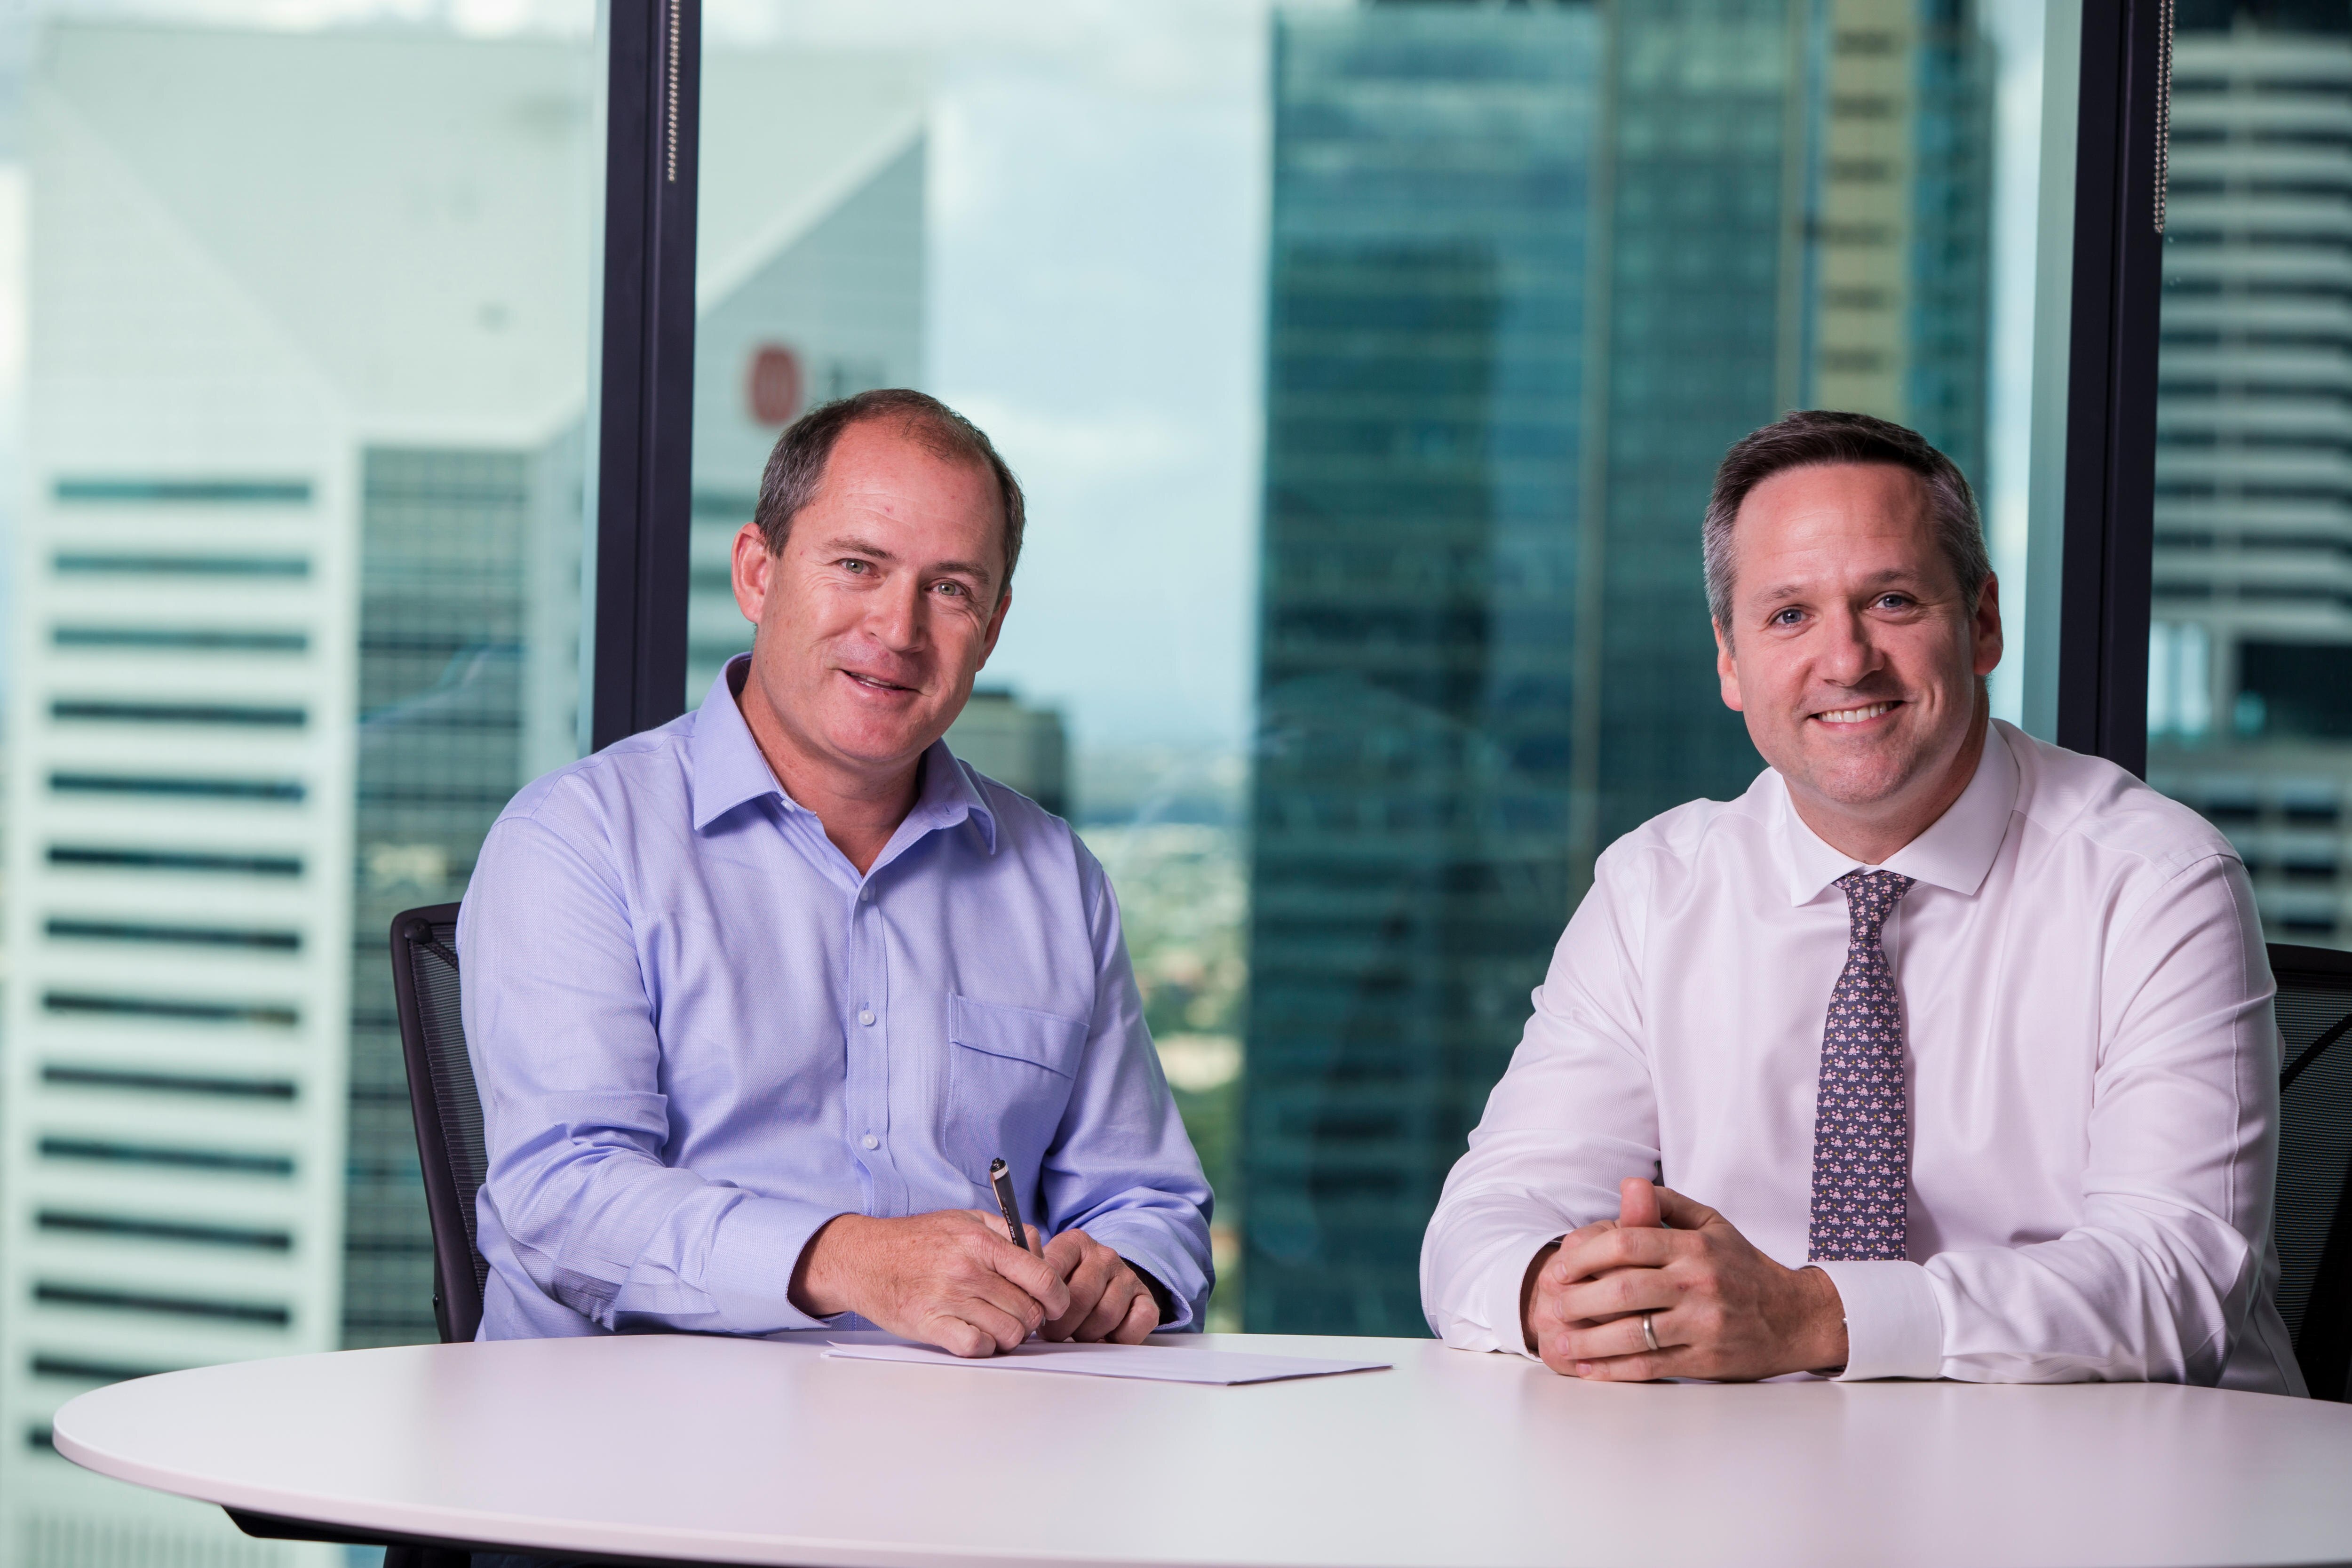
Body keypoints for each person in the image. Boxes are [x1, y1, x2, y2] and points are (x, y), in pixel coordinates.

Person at [1420, 409, 2302, 1392]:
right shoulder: (1654, 890)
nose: (1844, 660)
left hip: (2141, 1495)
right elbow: (1491, 1213)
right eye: (1788, 614)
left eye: (1889, 599)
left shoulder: (2155, 879)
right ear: (1728, 659)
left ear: (1981, 622)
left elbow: (2175, 1277)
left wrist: (1814, 1315)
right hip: (1766, 1491)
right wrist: (1549, 1286)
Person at [459, 388, 1213, 1356]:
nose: (897, 629)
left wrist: (1121, 1270)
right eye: (858, 566)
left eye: (949, 589)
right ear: (759, 573)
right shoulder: (576, 840)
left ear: (991, 625)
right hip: (631, 1460)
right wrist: (847, 1261)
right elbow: (562, 1195)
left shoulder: (1053, 877)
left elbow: (1152, 1200)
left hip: (968, 1454)